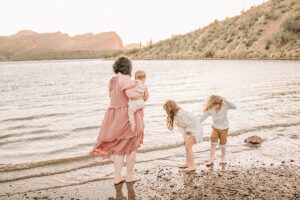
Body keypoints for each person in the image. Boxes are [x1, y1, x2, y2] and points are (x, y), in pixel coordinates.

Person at [91, 57, 149, 184]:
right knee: (132, 147)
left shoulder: (112, 80)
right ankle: (129, 175)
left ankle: (117, 177)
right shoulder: (126, 78)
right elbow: (130, 95)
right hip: (127, 116)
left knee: (119, 148)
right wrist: (143, 95)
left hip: (115, 116)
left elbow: (113, 97)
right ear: (128, 67)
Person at [163, 100, 203, 172]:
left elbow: (192, 121)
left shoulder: (180, 114)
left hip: (195, 130)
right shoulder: (177, 114)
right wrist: (185, 136)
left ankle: (192, 166)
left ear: (171, 107)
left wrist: (189, 130)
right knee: (186, 146)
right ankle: (188, 163)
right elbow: (183, 126)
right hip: (191, 130)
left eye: (166, 108)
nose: (166, 110)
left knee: (188, 147)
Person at [199, 95, 236, 166]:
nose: (215, 106)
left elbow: (234, 106)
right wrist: (195, 124)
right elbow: (202, 118)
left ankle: (223, 158)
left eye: (217, 104)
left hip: (224, 129)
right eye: (213, 105)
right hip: (215, 128)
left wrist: (225, 100)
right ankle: (211, 160)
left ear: (219, 102)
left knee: (223, 144)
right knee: (213, 144)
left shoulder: (225, 106)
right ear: (211, 104)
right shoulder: (210, 109)